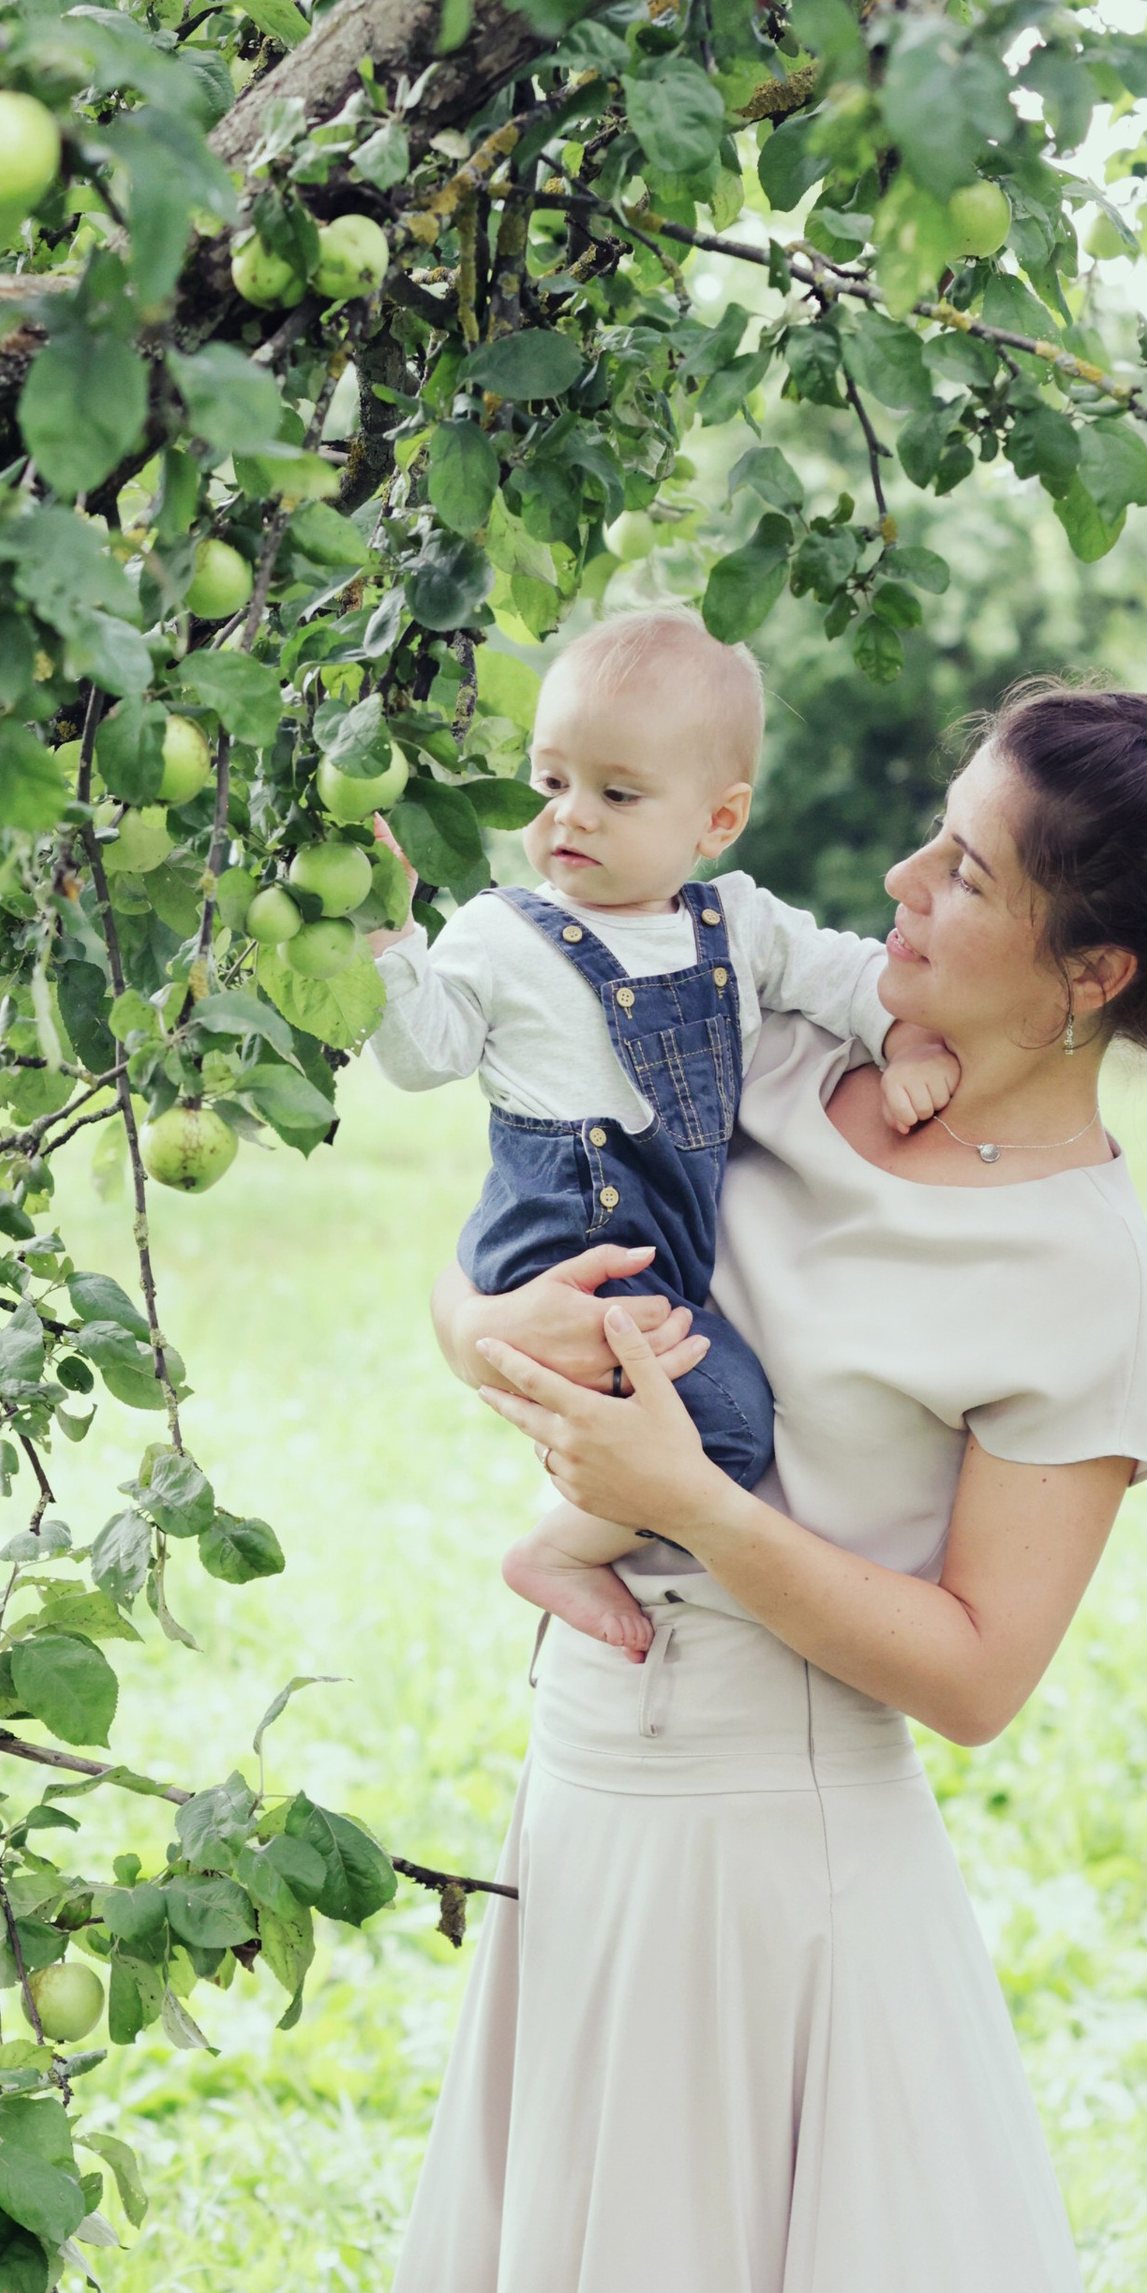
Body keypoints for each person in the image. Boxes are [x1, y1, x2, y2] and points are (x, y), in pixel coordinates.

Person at [287, 682, 1147, 2293]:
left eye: (960, 874)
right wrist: (476, 1337)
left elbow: (970, 1673)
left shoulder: (1071, 1272)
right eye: (923, 834)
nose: (899, 888)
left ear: (1089, 976)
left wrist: (677, 1507)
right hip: (589, 1782)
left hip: (784, 1867)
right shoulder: (751, 1035)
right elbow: (516, 1219)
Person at [362, 610, 956, 1661]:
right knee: (722, 1425)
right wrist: (392, 943)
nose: (567, 819)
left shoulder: (737, 922)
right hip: (563, 1240)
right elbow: (423, 1055)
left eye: (616, 792)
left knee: (693, 1410)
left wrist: (904, 1044)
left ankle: (592, 1523)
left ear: (717, 821)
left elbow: (849, 972)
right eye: (550, 784)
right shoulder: (503, 931)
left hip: (660, 1255)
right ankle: (560, 1551)